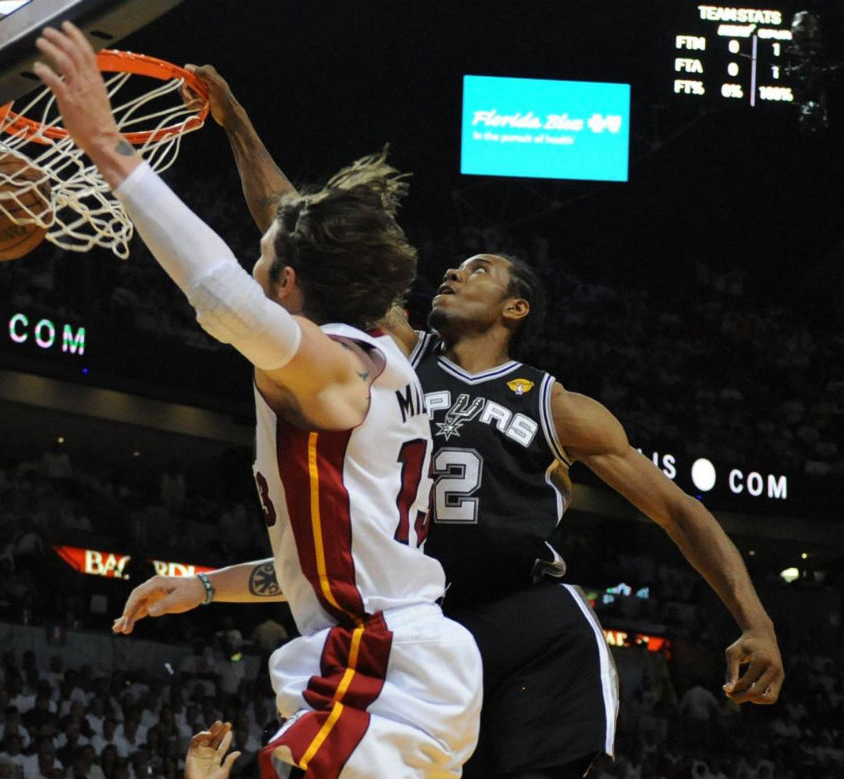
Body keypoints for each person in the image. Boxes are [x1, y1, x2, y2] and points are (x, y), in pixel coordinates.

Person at [169, 64, 786, 779]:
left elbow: (680, 510)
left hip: (532, 622)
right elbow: (297, 237)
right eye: (456, 266)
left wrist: (758, 620)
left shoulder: (556, 405)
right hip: (425, 623)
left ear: (515, 308)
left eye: (479, 268)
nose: (455, 273)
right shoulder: (396, 357)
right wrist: (237, 123)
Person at [34, 22, 481, 779]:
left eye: (264, 261)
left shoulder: (338, 370)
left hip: (377, 669)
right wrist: (206, 587)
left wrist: (112, 150)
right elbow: (322, 564)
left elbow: (223, 301)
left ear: (285, 286)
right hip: (397, 662)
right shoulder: (384, 359)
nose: (254, 262)